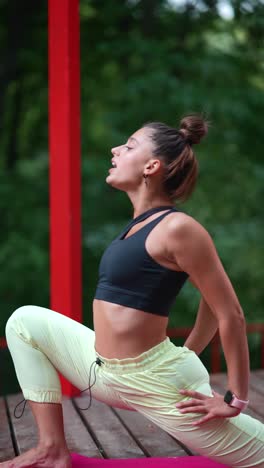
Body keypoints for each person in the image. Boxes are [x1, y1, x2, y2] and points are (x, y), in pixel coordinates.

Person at [2, 115, 264, 468]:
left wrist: (235, 399)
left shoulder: (178, 228)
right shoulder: (135, 226)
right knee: (24, 321)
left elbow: (229, 311)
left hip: (155, 381)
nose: (115, 150)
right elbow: (208, 301)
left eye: (128, 146)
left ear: (152, 166)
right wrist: (191, 352)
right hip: (104, 370)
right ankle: (52, 450)